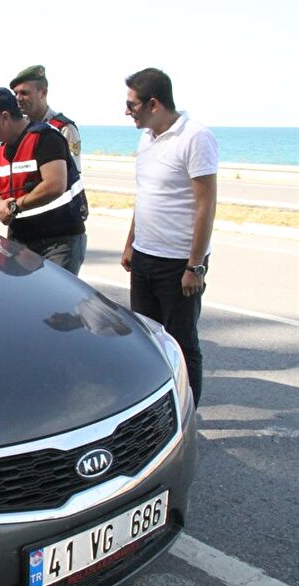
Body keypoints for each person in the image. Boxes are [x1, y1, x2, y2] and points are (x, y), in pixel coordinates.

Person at [120, 68, 218, 406]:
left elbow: (206, 205)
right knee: (147, 342)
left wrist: (196, 266)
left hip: (178, 264)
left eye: (132, 105)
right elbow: (145, 194)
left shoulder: (195, 137)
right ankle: (159, 413)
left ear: (154, 103)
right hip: (145, 257)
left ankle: (188, 414)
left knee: (181, 343)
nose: (127, 111)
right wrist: (132, 242)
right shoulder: (146, 138)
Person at [0, 87, 88, 274]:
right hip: (21, 243)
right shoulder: (3, 150)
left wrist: (15, 207)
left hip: (58, 241)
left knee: (54, 300)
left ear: (4, 116)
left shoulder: (45, 138)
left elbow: (55, 184)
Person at [10, 65, 82, 172]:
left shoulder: (64, 129)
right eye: (15, 93)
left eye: (24, 93)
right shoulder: (20, 129)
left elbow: (72, 174)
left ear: (43, 93)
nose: (18, 98)